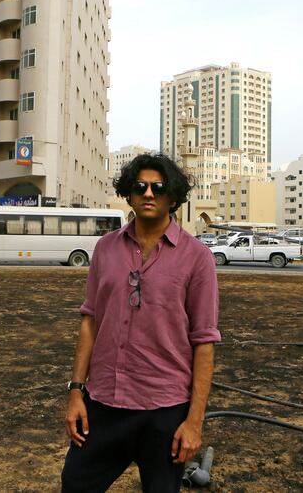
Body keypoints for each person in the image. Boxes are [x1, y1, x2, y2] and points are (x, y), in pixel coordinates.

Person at [61, 153, 221, 492]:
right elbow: (89, 321)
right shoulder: (105, 249)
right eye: (140, 187)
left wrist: (194, 421)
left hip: (163, 409)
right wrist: (76, 392)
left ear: (173, 197)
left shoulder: (197, 258)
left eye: (159, 187)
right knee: (74, 483)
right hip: (103, 403)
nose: (149, 194)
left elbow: (204, 341)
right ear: (129, 194)